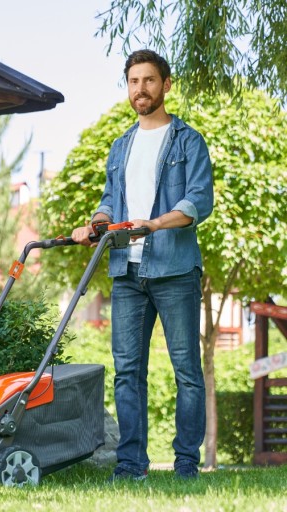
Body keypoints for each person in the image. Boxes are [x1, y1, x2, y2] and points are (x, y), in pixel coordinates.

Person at [72, 49, 213, 481]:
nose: (141, 89)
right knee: (127, 372)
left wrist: (154, 224)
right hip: (127, 273)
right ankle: (131, 464)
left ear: (165, 85)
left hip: (175, 270)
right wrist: (96, 223)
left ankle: (186, 464)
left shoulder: (188, 141)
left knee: (186, 371)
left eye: (149, 80)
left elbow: (198, 201)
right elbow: (109, 200)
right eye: (134, 81)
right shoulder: (120, 147)